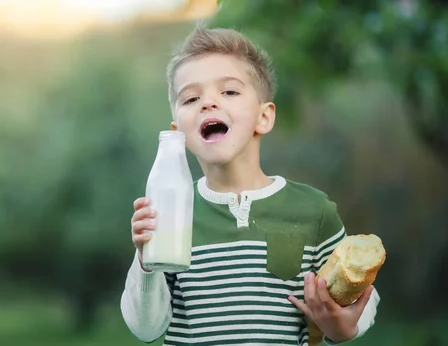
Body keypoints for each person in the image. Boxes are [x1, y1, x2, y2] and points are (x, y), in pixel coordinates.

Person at [120, 25, 380, 345]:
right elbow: (146, 328)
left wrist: (343, 328)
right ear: (177, 132)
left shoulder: (313, 211)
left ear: (263, 117)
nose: (208, 103)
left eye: (229, 91)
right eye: (191, 97)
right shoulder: (172, 214)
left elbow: (362, 300)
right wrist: (146, 260)